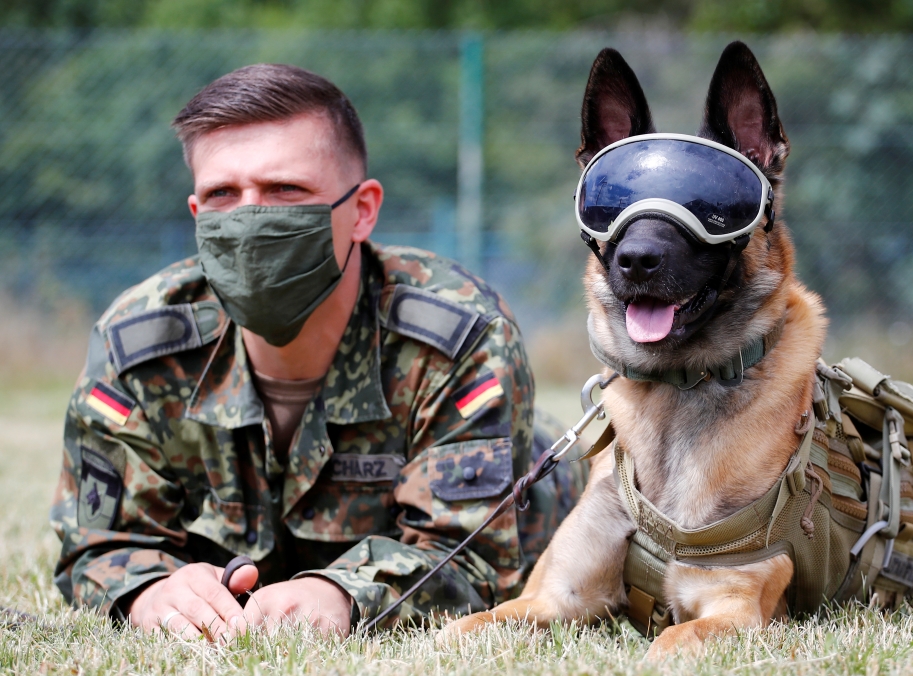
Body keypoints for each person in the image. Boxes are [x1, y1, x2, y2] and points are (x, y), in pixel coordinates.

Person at [50, 64, 586, 639]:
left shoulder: (458, 338)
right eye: (222, 195)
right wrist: (149, 592)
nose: (250, 219)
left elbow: (474, 555)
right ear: (196, 214)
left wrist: (343, 593)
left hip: (535, 502)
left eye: (286, 191)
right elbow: (98, 545)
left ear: (362, 210)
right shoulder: (140, 344)